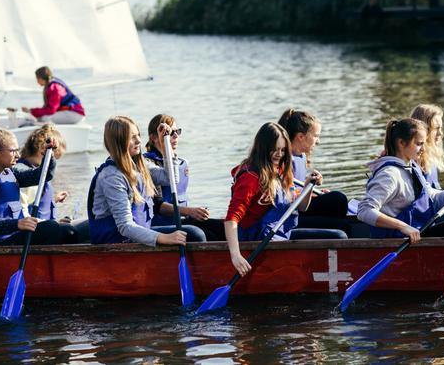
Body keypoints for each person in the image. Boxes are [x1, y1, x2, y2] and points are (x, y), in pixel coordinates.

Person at [225, 122, 348, 277]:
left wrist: (308, 186)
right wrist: (235, 255)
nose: (279, 154)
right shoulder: (251, 178)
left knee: (341, 228)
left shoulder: (280, 168)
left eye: (283, 150)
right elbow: (231, 219)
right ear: (263, 148)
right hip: (258, 238)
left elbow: (301, 207)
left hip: (280, 231)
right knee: (339, 237)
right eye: (275, 150)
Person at [357, 118, 444, 240]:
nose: (423, 149)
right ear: (401, 143)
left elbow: (435, 200)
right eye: (419, 144)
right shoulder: (389, 175)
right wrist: (402, 226)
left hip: (421, 227)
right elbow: (364, 211)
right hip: (402, 238)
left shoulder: (412, 167)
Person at [87, 115, 207, 246]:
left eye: (138, 135)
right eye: (132, 137)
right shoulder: (111, 177)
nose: (139, 140)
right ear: (119, 141)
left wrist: (164, 143)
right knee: (195, 234)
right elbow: (125, 226)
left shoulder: (140, 165)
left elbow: (170, 178)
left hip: (136, 234)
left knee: (200, 231)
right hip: (117, 240)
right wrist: (163, 238)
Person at [0, 123, 77, 246]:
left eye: (18, 150)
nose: (18, 155)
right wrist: (18, 224)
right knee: (52, 227)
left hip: (13, 237)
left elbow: (41, 176)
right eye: (13, 151)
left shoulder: (11, 173)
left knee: (68, 232)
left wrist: (49, 155)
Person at [143, 114, 225, 241]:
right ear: (154, 137)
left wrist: (195, 213)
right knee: (205, 236)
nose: (175, 136)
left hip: (182, 219)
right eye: (169, 133)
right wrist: (190, 211)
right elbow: (157, 206)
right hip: (162, 224)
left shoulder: (180, 163)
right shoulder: (150, 165)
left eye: (177, 131)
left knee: (223, 228)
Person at [278, 109, 351, 236]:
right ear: (301, 137)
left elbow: (299, 191)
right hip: (289, 217)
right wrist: (308, 186)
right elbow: (290, 202)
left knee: (337, 201)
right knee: (342, 221)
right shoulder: (284, 160)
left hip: (300, 208)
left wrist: (314, 193)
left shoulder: (301, 156)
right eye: (316, 136)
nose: (318, 141)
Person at [21, 66, 85, 124]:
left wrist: (31, 111)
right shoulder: (51, 84)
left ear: (41, 78)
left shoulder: (54, 88)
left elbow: (51, 110)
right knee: (41, 117)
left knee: (44, 118)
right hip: (72, 113)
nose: (37, 81)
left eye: (37, 79)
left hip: (75, 114)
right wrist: (32, 111)